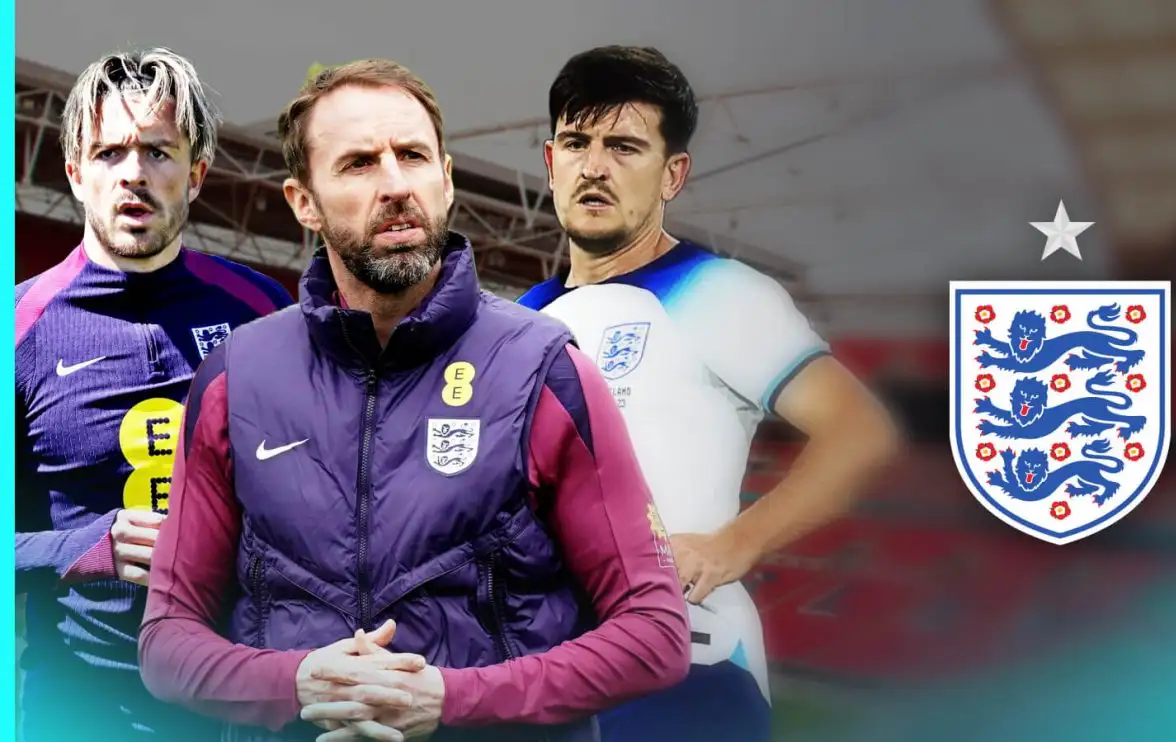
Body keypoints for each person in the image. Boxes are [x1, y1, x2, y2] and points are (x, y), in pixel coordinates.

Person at [137, 59, 691, 742]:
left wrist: (450, 699)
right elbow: (167, 642)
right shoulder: (235, 379)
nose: (396, 185)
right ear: (302, 201)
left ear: (447, 179)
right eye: (360, 164)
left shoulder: (545, 370)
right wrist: (297, 683)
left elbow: (655, 632)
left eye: (413, 156)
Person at [517, 46, 901, 742]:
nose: (595, 166)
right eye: (577, 143)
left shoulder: (720, 292)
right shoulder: (523, 320)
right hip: (541, 668)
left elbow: (861, 431)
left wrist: (735, 544)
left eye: (625, 147)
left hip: (686, 670)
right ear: (551, 162)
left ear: (673, 174)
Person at [14, 48, 295, 741]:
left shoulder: (261, 309)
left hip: (234, 712)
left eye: (159, 153)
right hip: (75, 711)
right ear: (76, 174)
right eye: (110, 153)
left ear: (196, 175)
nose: (134, 174)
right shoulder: (16, 328)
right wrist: (81, 548)